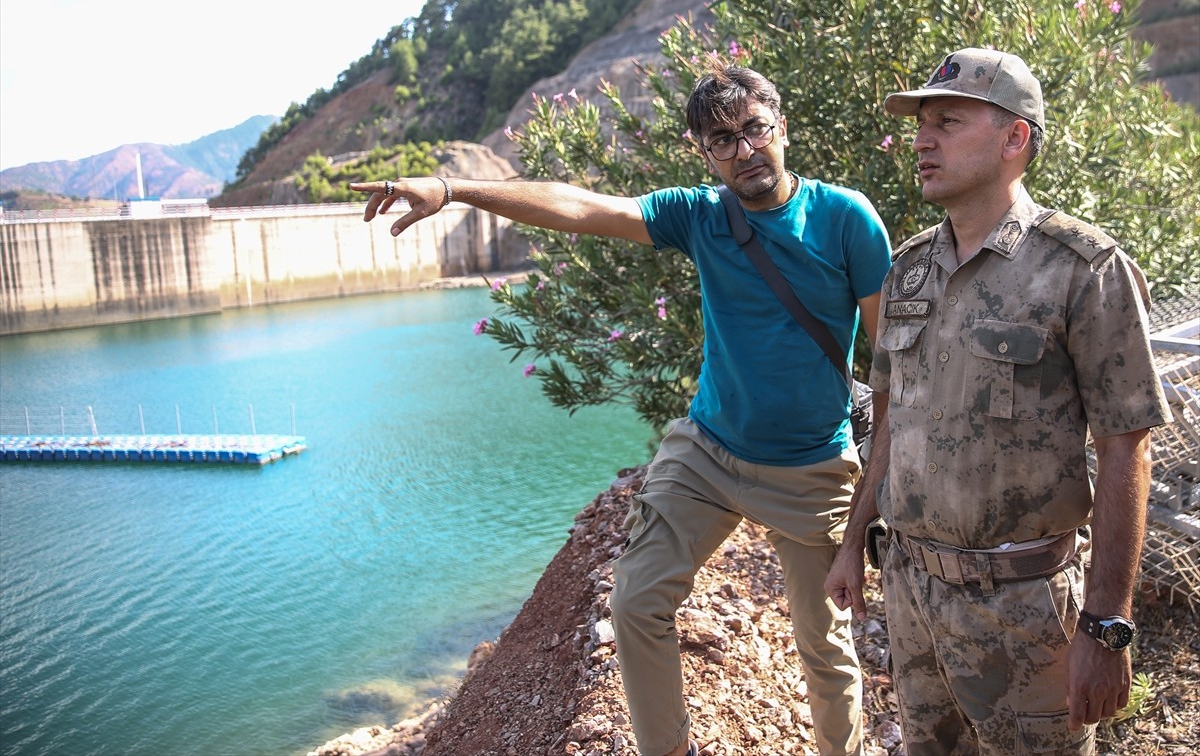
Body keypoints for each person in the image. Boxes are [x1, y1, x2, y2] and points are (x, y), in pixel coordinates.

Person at [351, 65, 892, 756]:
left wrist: (866, 508)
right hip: (710, 450)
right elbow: (584, 207)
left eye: (755, 128)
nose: (744, 149)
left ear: (781, 127)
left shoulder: (848, 220)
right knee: (635, 602)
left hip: (811, 463)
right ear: (704, 152)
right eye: (722, 140)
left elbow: (892, 367)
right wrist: (454, 189)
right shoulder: (701, 214)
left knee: (823, 645)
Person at [825, 47, 1173, 755]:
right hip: (913, 595)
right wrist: (854, 536)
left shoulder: (1081, 269)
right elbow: (892, 423)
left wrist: (1107, 625)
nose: (922, 140)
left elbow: (1125, 448)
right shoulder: (908, 269)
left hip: (1024, 611)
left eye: (948, 121)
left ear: (1015, 138)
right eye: (922, 125)